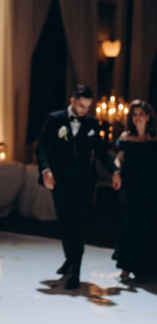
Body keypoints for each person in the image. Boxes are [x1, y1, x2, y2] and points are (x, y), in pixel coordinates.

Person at [36, 84, 122, 290]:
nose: (84, 110)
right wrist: (45, 170)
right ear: (73, 100)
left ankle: (76, 270)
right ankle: (70, 259)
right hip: (59, 181)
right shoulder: (55, 119)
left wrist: (114, 171)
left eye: (87, 107)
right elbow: (41, 147)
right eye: (81, 105)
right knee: (65, 223)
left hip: (83, 183)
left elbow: (101, 151)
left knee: (78, 225)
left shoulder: (91, 123)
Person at [112, 99, 157, 281]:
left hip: (152, 187)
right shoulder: (125, 137)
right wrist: (116, 172)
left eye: (141, 114)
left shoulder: (155, 137)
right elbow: (118, 159)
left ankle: (148, 267)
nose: (137, 117)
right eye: (134, 114)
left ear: (148, 116)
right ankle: (126, 266)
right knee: (129, 225)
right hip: (131, 187)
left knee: (150, 225)